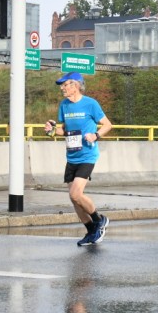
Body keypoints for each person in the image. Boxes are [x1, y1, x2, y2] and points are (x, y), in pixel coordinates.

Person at [43, 72, 113, 246]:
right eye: (62, 85)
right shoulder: (64, 105)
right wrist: (52, 131)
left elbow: (107, 125)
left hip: (87, 155)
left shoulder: (90, 104)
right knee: (74, 199)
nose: (62, 88)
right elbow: (65, 130)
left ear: (75, 86)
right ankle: (91, 231)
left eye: (65, 84)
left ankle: (99, 220)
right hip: (71, 156)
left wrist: (96, 135)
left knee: (76, 194)